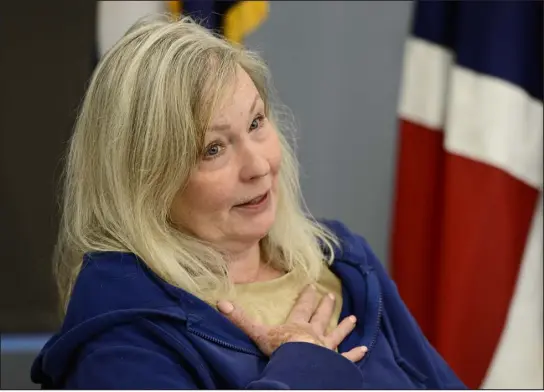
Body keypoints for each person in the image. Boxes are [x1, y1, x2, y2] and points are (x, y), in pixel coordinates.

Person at [31, 15, 466, 389]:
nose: (258, 165)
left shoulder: (344, 260)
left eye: (256, 122)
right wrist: (302, 369)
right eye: (213, 149)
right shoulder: (122, 333)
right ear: (145, 181)